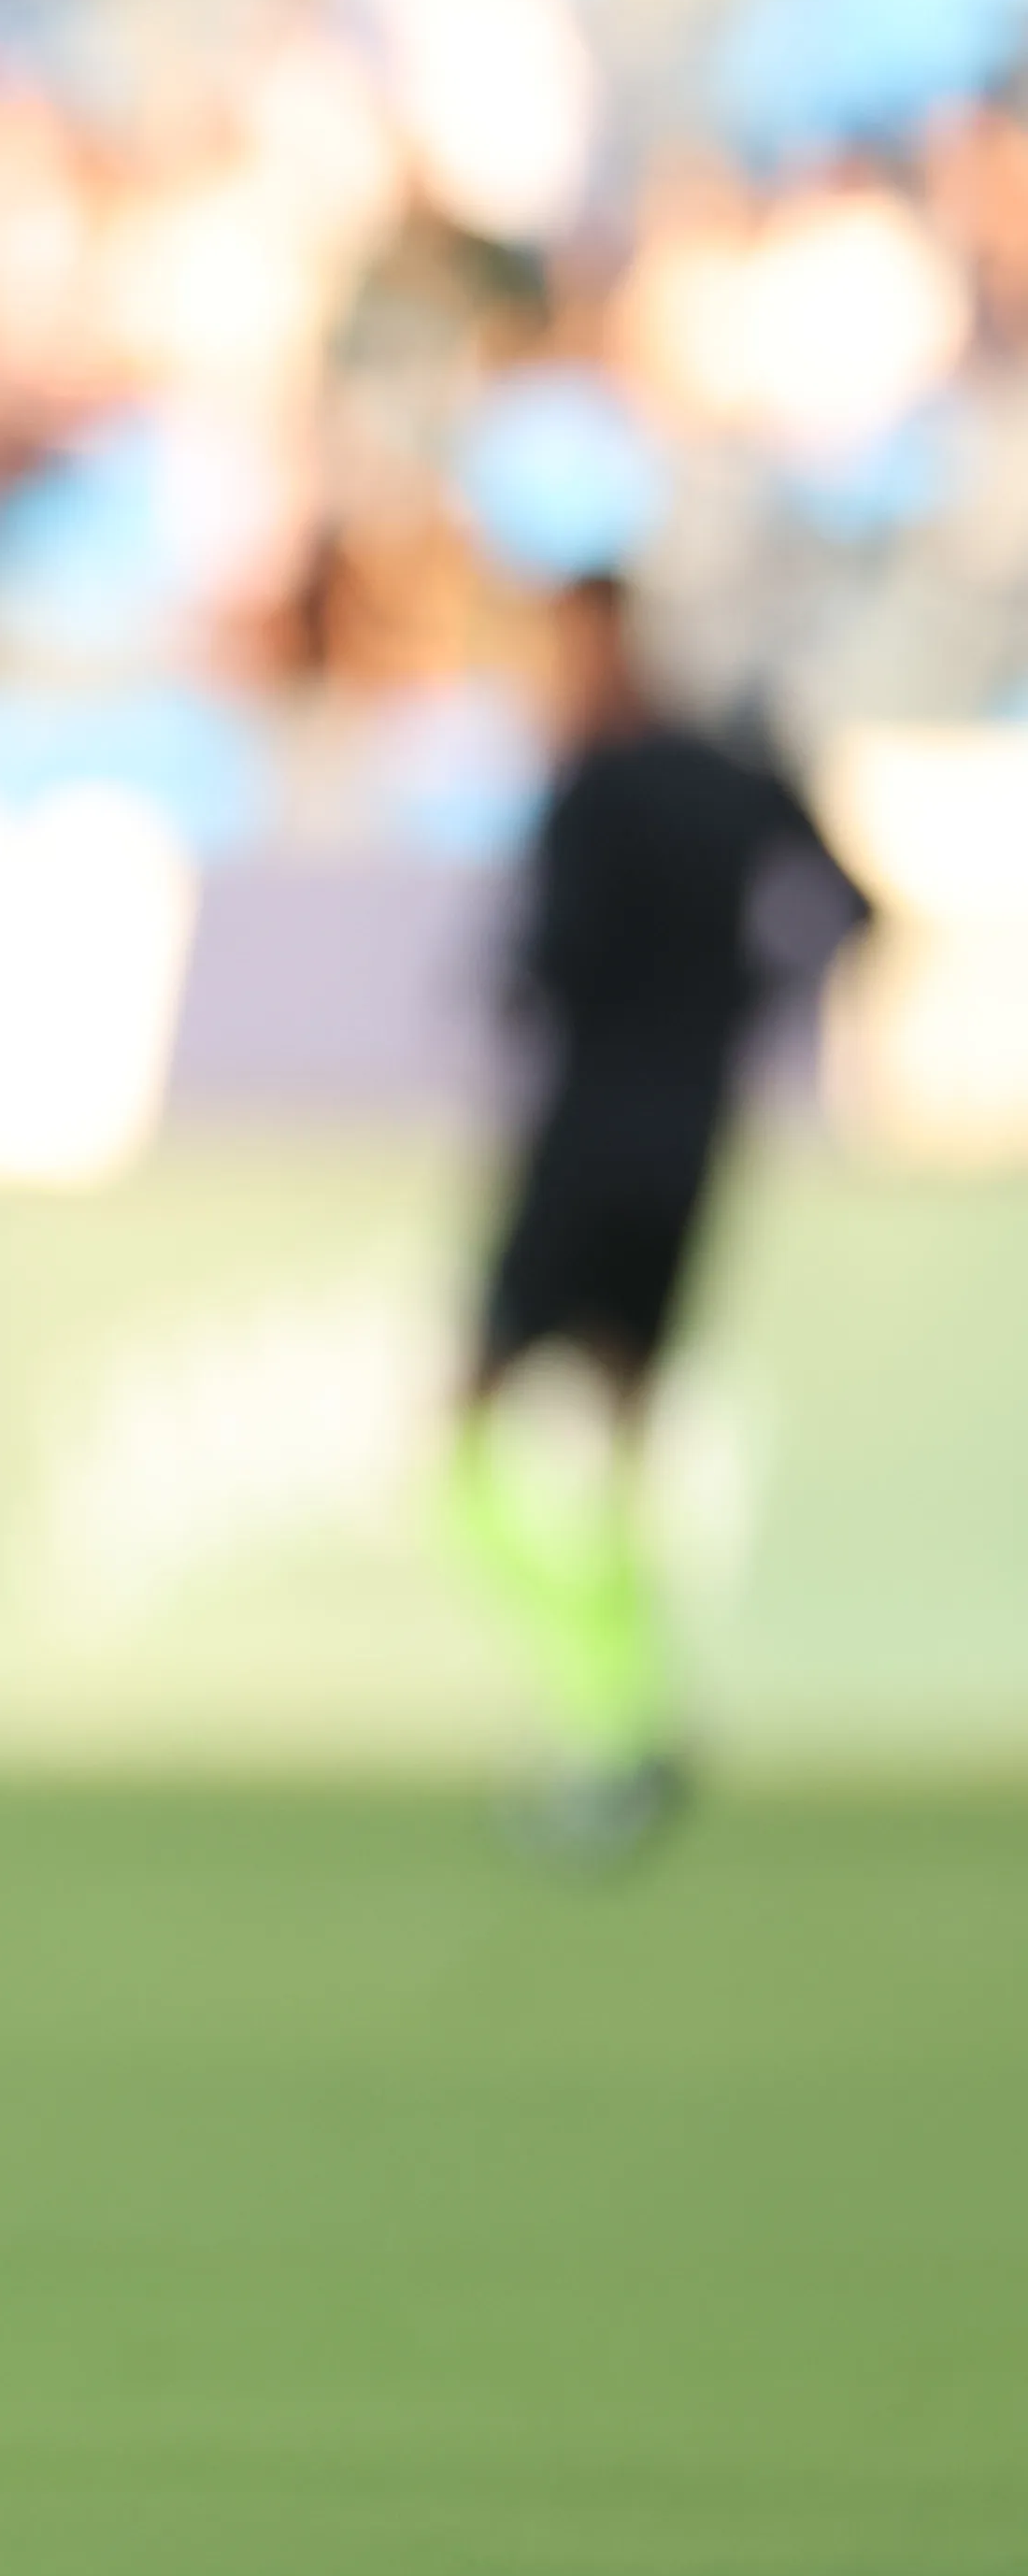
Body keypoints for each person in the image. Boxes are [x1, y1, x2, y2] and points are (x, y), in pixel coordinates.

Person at [447, 574, 863, 1860]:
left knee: (467, 1433)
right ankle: (636, 1721)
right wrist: (743, 1006)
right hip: (692, 1146)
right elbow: (854, 916)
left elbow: (535, 971)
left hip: (581, 1148)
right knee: (620, 1443)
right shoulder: (736, 773)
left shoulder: (591, 786)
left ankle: (603, 1712)